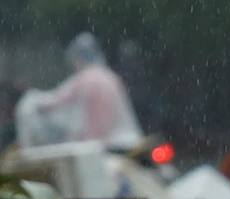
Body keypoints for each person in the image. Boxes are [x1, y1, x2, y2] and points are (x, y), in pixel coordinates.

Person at [13, 32, 142, 150]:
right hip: (128, 142)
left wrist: (31, 101)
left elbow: (52, 103)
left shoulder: (85, 79)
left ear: (79, 58)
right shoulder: (110, 77)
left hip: (105, 146)